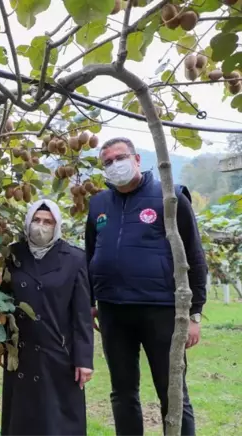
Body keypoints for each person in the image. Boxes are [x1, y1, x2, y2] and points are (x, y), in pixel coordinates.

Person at [85, 137, 208, 436]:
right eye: (107, 162)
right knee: (123, 392)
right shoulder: (99, 203)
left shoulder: (170, 197)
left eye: (120, 157)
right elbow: (90, 253)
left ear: (137, 159)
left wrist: (194, 314)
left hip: (161, 310)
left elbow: (193, 255)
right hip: (113, 311)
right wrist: (90, 301)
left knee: (172, 391)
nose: (115, 165)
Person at [0, 199, 93, 436]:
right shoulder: (12, 254)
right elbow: (1, 301)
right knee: (22, 418)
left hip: (59, 352)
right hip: (21, 352)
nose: (41, 226)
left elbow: (82, 313)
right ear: (28, 222)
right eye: (36, 220)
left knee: (58, 419)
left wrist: (84, 359)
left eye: (48, 222)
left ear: (57, 225)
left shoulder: (74, 258)